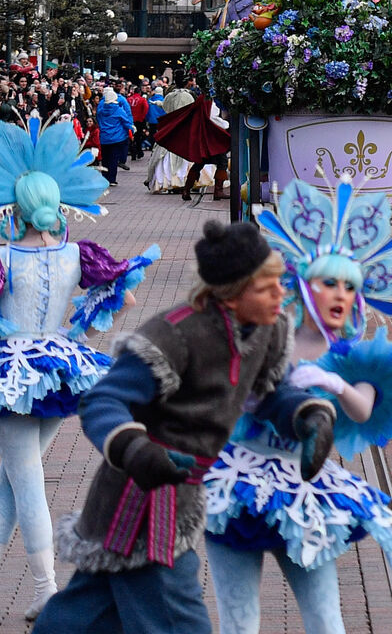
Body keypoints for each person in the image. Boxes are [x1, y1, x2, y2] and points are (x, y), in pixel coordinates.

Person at [36, 220, 335, 634]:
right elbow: (103, 401)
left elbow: (268, 392)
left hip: (183, 497)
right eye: (266, 288)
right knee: (180, 623)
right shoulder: (174, 334)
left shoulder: (268, 330)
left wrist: (307, 414)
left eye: (280, 285)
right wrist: (136, 449)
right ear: (232, 293)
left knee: (79, 618)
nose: (280, 295)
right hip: (143, 501)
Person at [203, 183, 392, 634]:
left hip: (303, 487)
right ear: (301, 285)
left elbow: (363, 411)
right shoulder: (262, 335)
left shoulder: (353, 360)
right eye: (329, 283)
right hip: (235, 482)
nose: (340, 294)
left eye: (350, 286)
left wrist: (336, 383)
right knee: (238, 620)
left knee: (326, 620)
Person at [0, 120, 158, 618]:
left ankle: (47, 588)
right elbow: (124, 296)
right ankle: (43, 587)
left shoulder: (4, 256)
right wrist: (76, 336)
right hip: (59, 367)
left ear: (15, 206)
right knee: (12, 480)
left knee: (24, 480)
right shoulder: (76, 253)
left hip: (13, 376)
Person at [94, 88, 133, 187]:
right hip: (117, 137)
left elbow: (98, 120)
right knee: (113, 159)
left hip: (104, 137)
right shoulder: (118, 110)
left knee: (105, 159)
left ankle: (104, 178)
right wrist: (131, 129)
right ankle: (112, 179)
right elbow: (126, 122)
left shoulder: (101, 110)